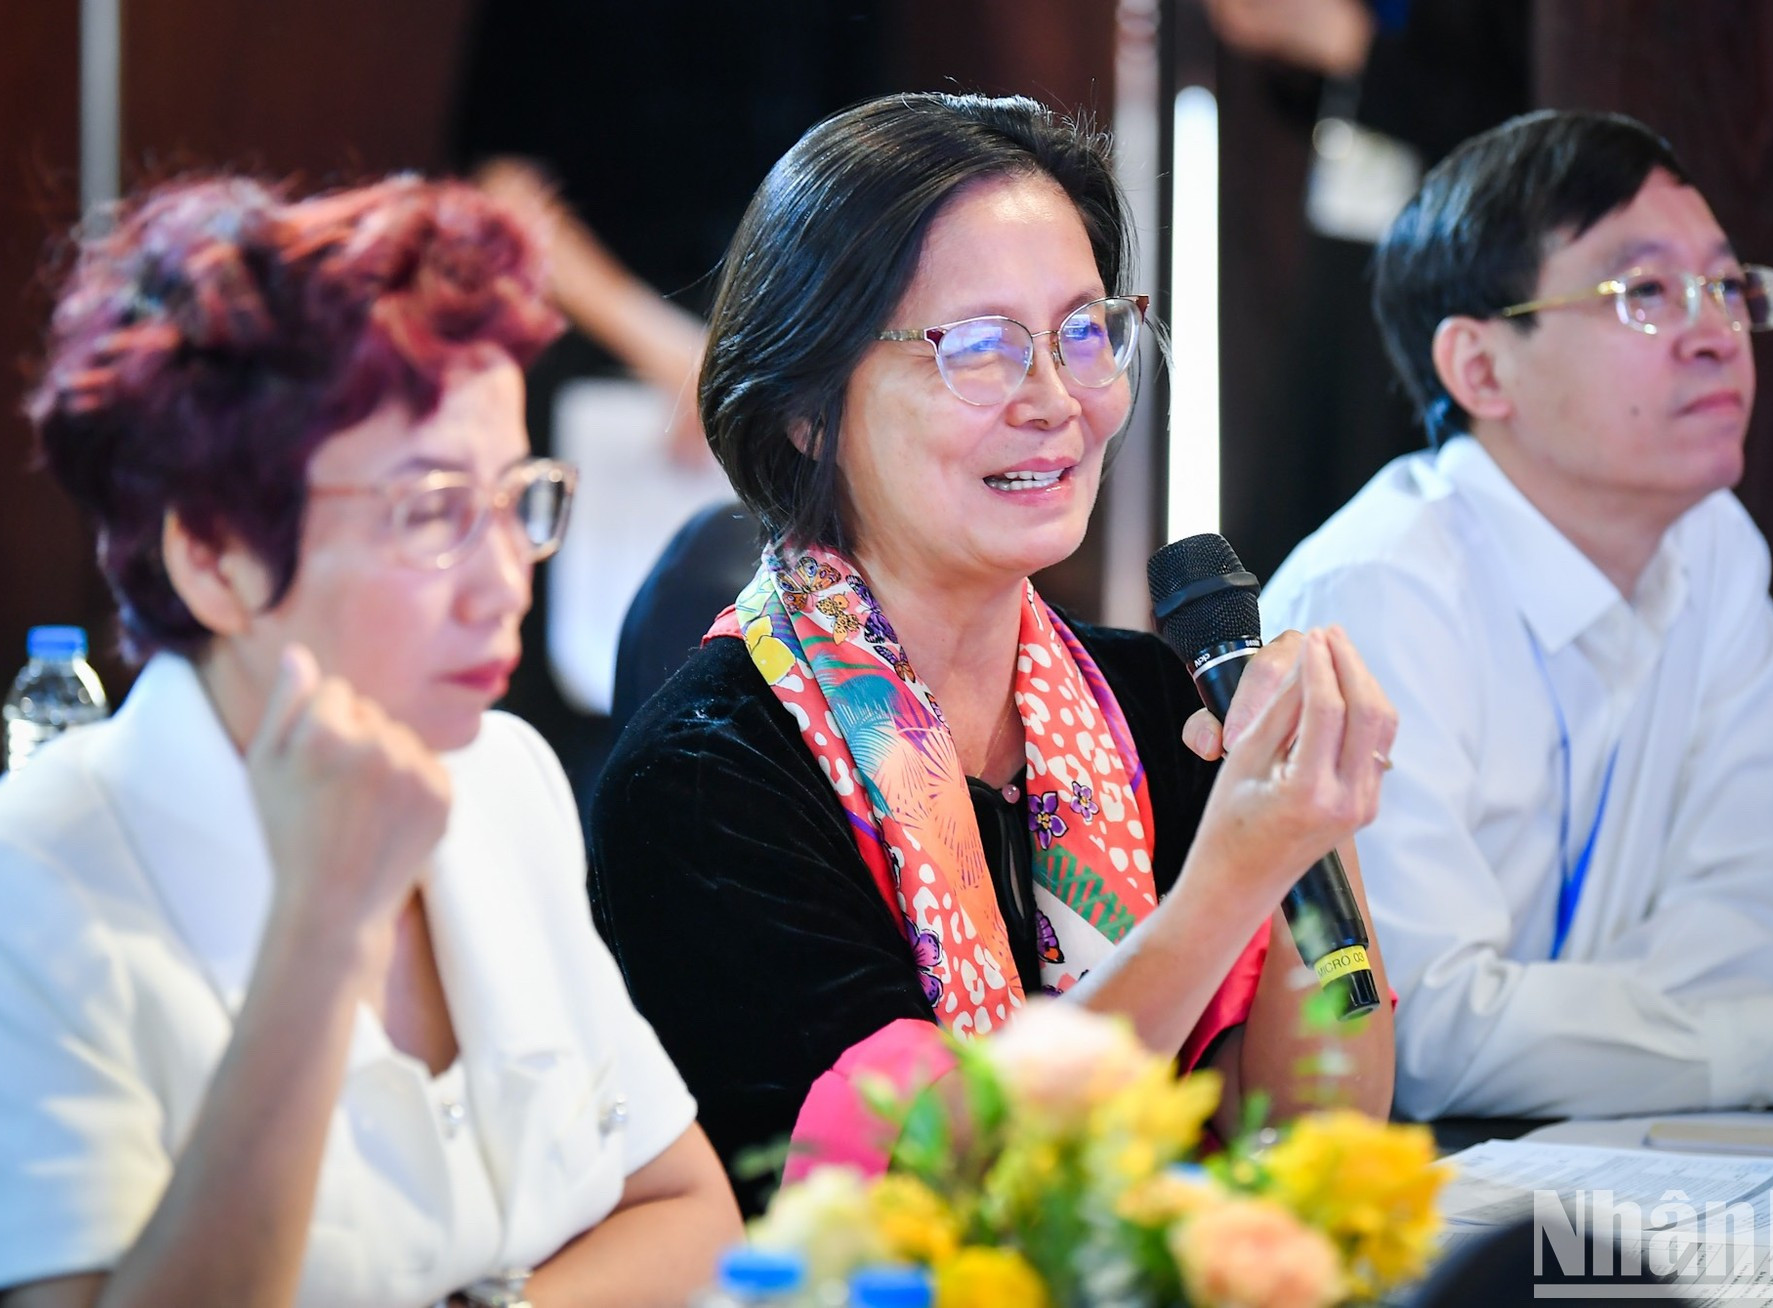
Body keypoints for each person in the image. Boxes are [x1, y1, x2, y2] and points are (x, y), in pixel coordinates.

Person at [590, 92, 1398, 1214]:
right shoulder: (703, 780)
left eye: (1082, 331)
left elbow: (1313, 1155)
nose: (1057, 400)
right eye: (977, 348)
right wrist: (1227, 878)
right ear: (805, 407)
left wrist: (1312, 824)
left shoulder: (1155, 700)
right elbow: (918, 1194)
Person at [0, 176, 740, 1307]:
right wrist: (324, 931)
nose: (502, 581)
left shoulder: (501, 778)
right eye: (426, 513)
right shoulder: (11, 896)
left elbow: (685, 1210)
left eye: (515, 498)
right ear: (214, 558)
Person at [1260, 109, 1773, 1120]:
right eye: (1644, 292)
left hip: (1633, 1153)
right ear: (1478, 369)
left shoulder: (1715, 548)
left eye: (1726, 285)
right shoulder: (1377, 593)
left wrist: (1566, 1036)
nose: (1712, 333)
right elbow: (1419, 1025)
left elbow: (1761, 941)